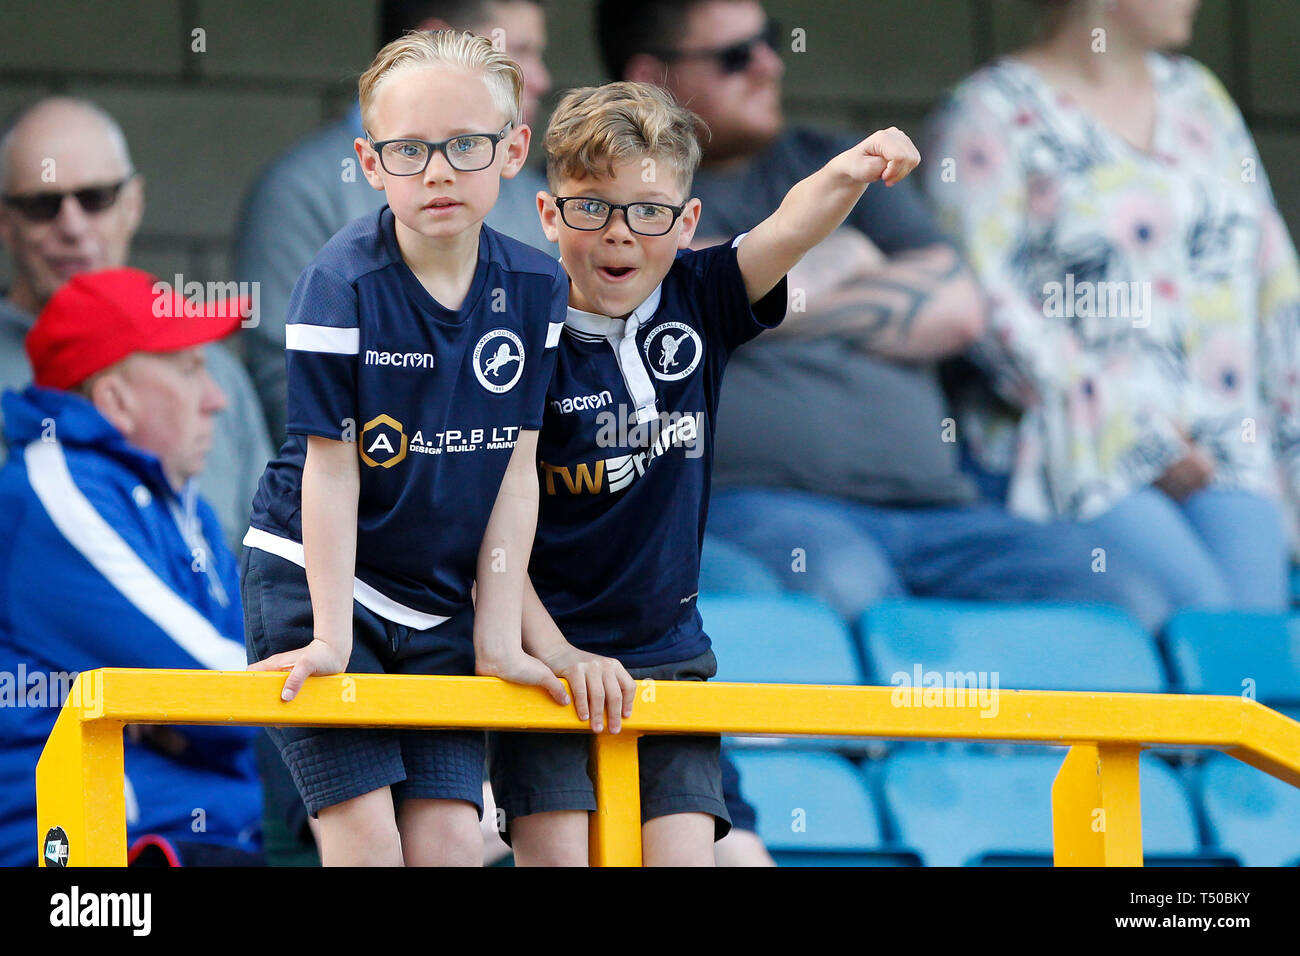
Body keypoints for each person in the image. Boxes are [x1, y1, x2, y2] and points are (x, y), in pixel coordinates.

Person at [595, 0, 1167, 634]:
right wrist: (850, 261)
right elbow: (664, 300)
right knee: (855, 592)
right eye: (736, 55)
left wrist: (750, 300)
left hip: (942, 511)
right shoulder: (617, 190)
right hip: (758, 507)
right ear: (653, 76)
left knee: (1126, 597)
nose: (769, 64)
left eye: (771, 41)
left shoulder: (836, 163)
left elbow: (957, 311)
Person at [486, 80, 919, 866]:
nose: (619, 236)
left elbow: (788, 228)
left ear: (686, 225)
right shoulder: (516, 336)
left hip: (669, 660)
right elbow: (488, 536)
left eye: (648, 212)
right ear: (550, 215)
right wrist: (554, 654)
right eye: (591, 208)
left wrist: (852, 169)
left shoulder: (700, 296)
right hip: (548, 665)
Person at [242, 30, 570, 867]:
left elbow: (515, 469)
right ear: (369, 161)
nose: (438, 171)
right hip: (319, 577)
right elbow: (328, 466)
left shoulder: (538, 288)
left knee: (453, 842)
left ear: (513, 149)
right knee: (366, 842)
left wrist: (497, 637)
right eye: (409, 150)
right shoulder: (339, 281)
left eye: (466, 146)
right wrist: (327, 636)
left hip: (436, 604)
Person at [924, 0, 1299, 612]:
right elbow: (982, 300)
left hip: (1228, 445)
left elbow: (1276, 287)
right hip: (1074, 447)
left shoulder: (1200, 95)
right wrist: (1139, 432)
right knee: (1195, 615)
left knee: (1255, 636)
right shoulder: (988, 113)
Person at [0, 268, 263, 867]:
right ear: (115, 400)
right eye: (192, 369)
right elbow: (228, 692)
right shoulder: (52, 490)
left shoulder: (175, 500)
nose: (216, 398)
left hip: (203, 837)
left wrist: (173, 714)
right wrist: (179, 714)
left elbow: (241, 675)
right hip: (97, 857)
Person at [235, 0, 554, 446]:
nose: (540, 78)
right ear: (437, 41)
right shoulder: (302, 187)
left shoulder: (532, 198)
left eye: (466, 145)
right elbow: (286, 382)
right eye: (517, 51)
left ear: (514, 153)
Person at [0, 97, 272, 553]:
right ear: (4, 221)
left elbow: (272, 554)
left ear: (133, 203)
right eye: (43, 205)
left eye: (95, 199)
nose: (72, 226)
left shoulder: (214, 371)